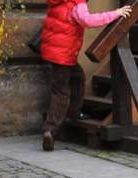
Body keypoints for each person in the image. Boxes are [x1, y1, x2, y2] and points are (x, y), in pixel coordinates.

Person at [40, 0, 132, 151]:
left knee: (78, 78)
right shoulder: (77, 3)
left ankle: (74, 113)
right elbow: (88, 20)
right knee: (61, 92)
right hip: (64, 55)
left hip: (54, 53)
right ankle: (50, 130)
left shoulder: (59, 2)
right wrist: (116, 13)